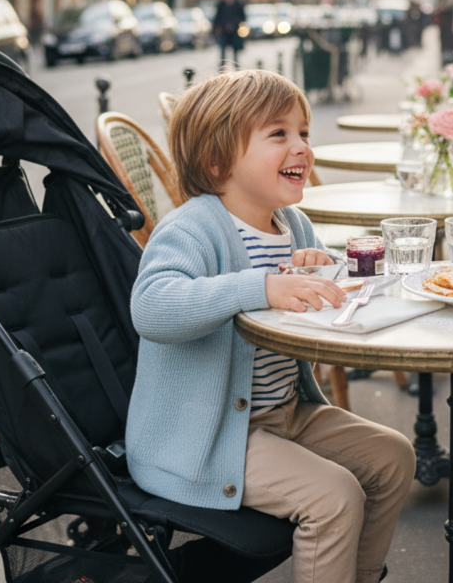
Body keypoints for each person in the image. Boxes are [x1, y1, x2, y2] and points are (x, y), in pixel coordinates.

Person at [126, 70, 416, 583]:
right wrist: (259, 286)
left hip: (285, 412)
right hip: (207, 437)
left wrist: (319, 268)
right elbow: (151, 307)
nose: (301, 145)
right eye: (278, 134)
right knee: (334, 496)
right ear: (217, 160)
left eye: (303, 131)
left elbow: (302, 299)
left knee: (392, 457)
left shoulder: (293, 224)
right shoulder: (193, 227)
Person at [212, 0, 246, 70]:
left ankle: (236, 67)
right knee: (223, 51)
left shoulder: (238, 3)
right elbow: (217, 17)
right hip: (224, 31)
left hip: (235, 31)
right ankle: (222, 68)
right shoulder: (221, 4)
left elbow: (242, 17)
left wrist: (234, 24)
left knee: (235, 51)